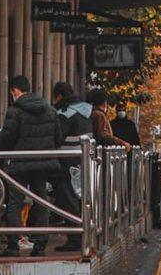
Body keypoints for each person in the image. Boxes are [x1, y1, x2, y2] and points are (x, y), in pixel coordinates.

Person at [0, 75, 62, 257]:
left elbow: (7, 138)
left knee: (15, 203)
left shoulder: (14, 111)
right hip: (43, 163)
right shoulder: (49, 109)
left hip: (21, 164)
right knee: (41, 202)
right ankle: (40, 246)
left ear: (15, 91)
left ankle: (13, 246)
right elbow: (58, 137)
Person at [51, 82, 92, 252]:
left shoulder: (65, 113)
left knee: (68, 198)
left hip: (67, 161)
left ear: (59, 96)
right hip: (83, 161)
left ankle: (75, 238)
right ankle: (84, 235)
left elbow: (57, 137)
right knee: (81, 197)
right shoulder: (86, 111)